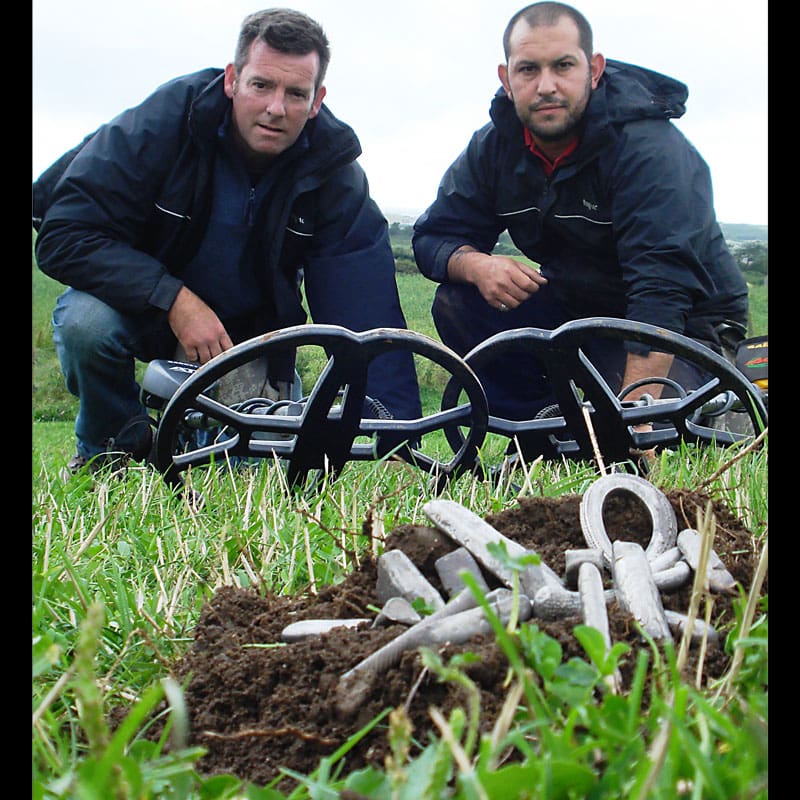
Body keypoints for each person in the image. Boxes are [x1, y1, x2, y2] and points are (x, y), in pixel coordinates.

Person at [33, 7, 422, 474]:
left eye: (296, 93)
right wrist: (173, 299)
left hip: (246, 338)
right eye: (261, 85)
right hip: (145, 309)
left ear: (317, 100)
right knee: (84, 323)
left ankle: (220, 426)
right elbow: (65, 234)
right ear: (232, 79)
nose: (276, 108)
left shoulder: (333, 168)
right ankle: (112, 447)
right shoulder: (161, 123)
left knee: (246, 476)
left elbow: (366, 308)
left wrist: (398, 441)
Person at [412, 2, 749, 446]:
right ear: (506, 79)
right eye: (528, 69)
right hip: (579, 309)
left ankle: (710, 409)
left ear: (594, 70)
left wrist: (638, 418)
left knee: (652, 437)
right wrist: (478, 265)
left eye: (563, 66)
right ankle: (544, 438)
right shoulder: (494, 147)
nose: (546, 86)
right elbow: (434, 235)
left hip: (686, 326)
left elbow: (662, 288)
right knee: (459, 301)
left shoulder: (650, 150)